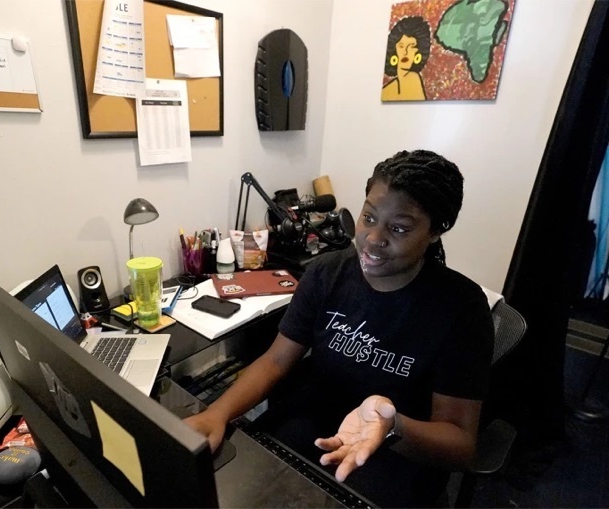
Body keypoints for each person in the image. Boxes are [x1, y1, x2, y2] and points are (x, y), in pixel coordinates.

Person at [184, 149, 495, 507]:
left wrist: (392, 427)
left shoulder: (461, 308)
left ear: (436, 231)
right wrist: (217, 414)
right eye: (369, 217)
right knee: (236, 481)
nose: (373, 239)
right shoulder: (326, 273)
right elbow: (276, 361)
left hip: (400, 448)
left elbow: (459, 445)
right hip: (314, 418)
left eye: (398, 228)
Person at [381, 16, 431, 101]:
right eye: (401, 46)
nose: (405, 52)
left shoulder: (412, 78)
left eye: (411, 47)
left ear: (418, 52)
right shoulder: (391, 87)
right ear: (394, 50)